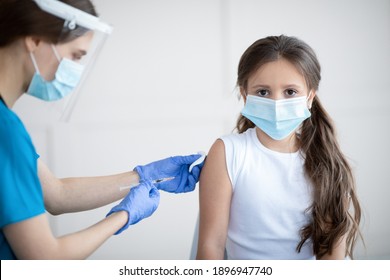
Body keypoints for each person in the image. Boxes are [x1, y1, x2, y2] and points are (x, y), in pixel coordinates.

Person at [0, 0, 204, 260]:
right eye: (75, 55)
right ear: (35, 40)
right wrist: (123, 216)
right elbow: (46, 259)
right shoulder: (6, 131)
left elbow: (56, 194)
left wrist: (145, 175)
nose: (74, 70)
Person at [196, 35, 362, 260]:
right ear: (245, 96)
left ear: (310, 97)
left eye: (290, 92)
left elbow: (331, 255)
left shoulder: (326, 160)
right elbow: (211, 246)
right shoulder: (227, 152)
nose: (276, 103)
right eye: (263, 92)